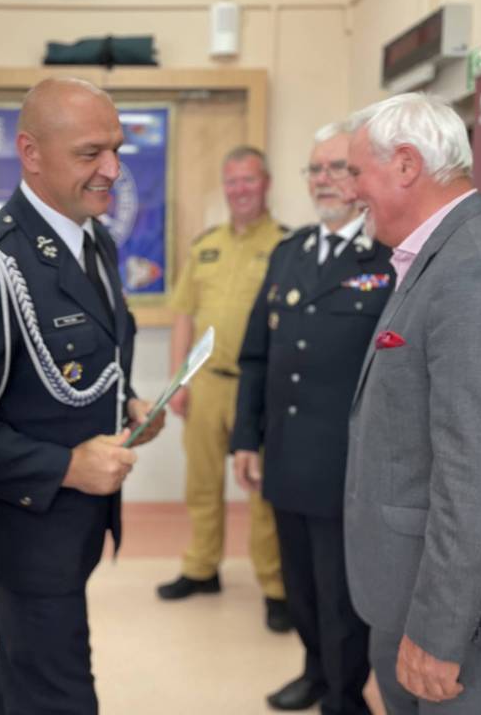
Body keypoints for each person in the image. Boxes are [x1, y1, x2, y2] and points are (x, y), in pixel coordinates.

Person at [0, 77, 163, 714]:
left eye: (116, 149)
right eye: (90, 153)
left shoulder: (94, 238)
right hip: (27, 530)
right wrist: (65, 466)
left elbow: (92, 356)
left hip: (76, 522)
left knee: (20, 672)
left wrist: (129, 401)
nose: (112, 169)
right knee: (58, 695)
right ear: (30, 152)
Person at [344, 92, 481, 713]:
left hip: (464, 612)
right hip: (412, 584)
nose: (350, 189)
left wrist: (440, 629)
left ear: (406, 164)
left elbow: (480, 472)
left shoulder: (478, 266)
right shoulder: (442, 256)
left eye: (356, 171)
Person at [231, 122, 391, 713]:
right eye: (315, 169)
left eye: (337, 167)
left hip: (348, 461)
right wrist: (245, 438)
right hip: (287, 454)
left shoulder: (387, 256)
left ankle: (345, 696)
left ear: (362, 175)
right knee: (298, 584)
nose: (324, 179)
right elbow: (256, 356)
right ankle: (316, 671)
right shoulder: (289, 253)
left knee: (340, 592)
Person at [156, 146, 290, 632]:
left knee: (262, 489)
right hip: (207, 385)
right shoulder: (205, 246)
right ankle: (201, 568)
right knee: (202, 483)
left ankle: (275, 586)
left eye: (248, 180)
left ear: (266, 183)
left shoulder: (286, 246)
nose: (240, 190)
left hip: (259, 390)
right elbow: (183, 316)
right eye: (232, 181)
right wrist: (178, 382)